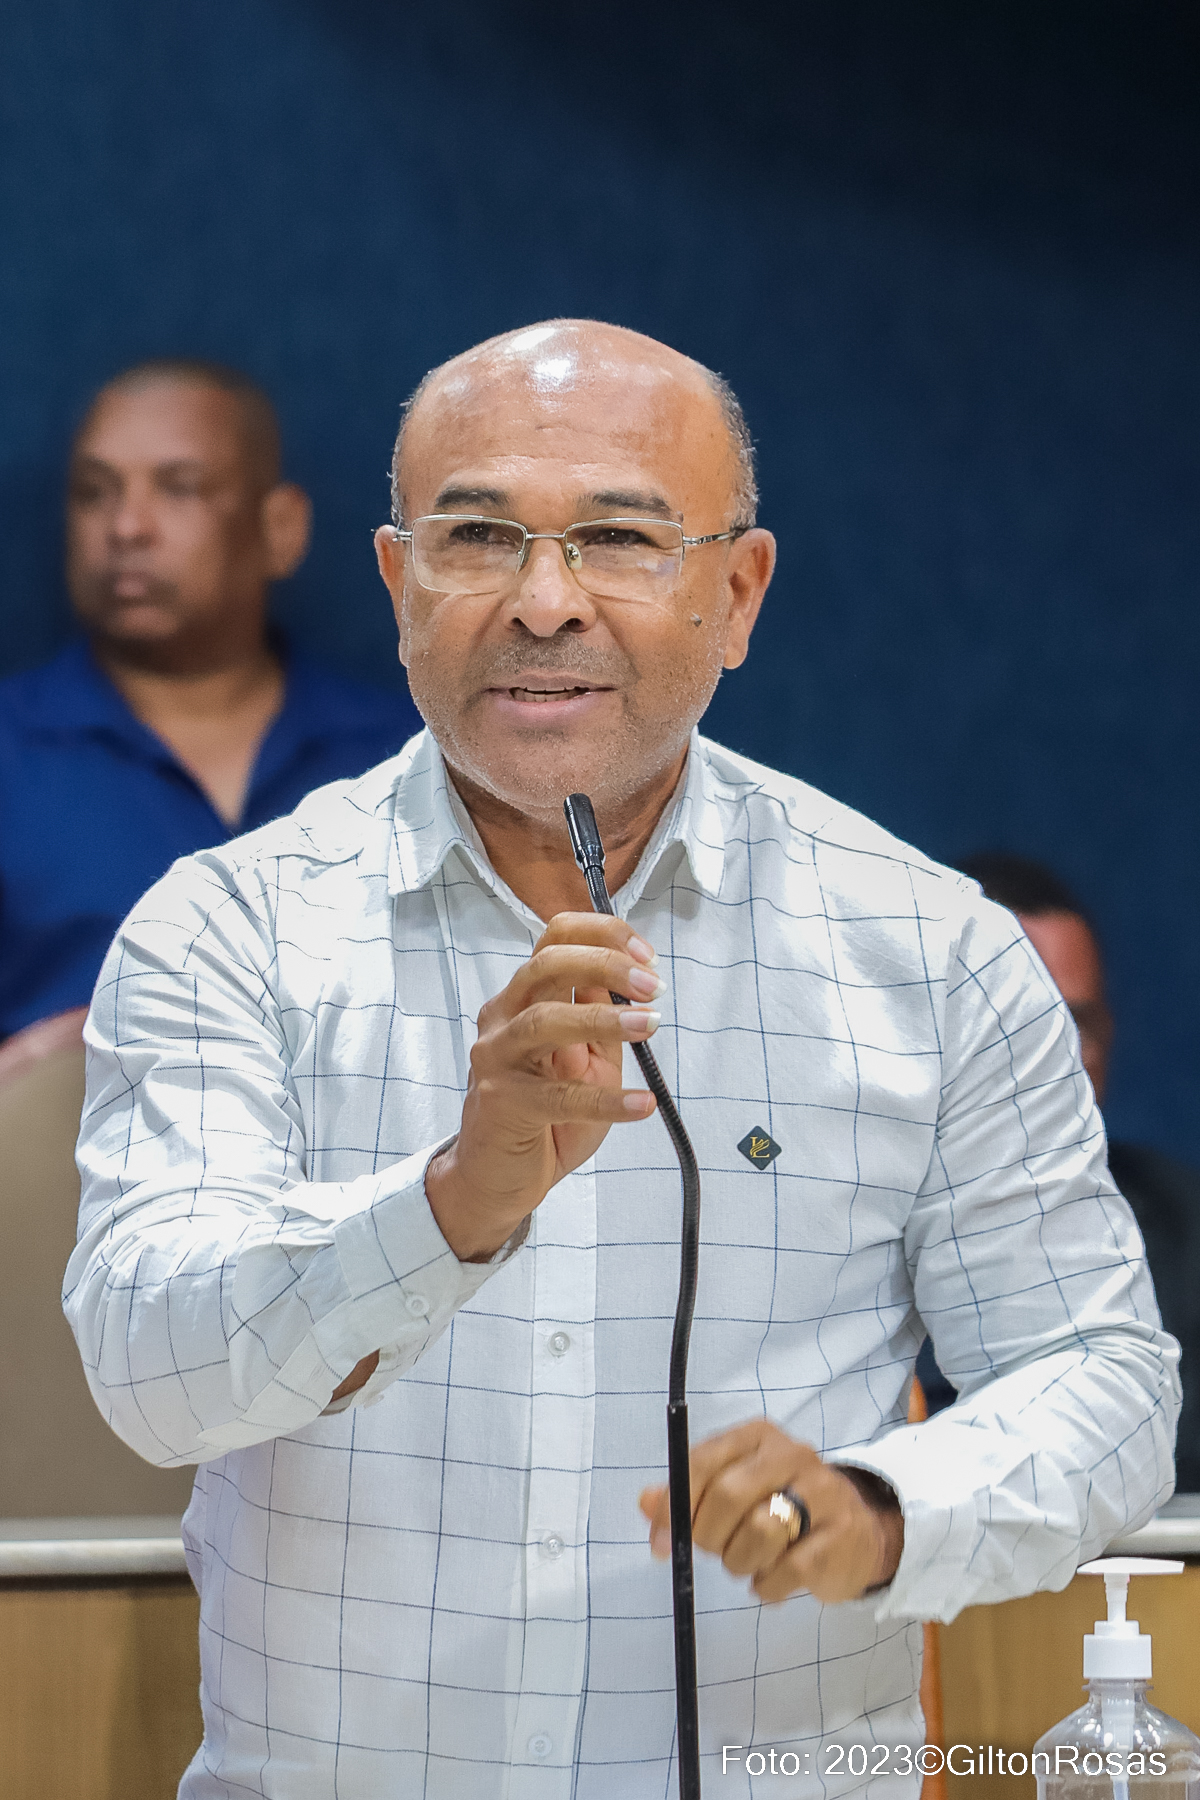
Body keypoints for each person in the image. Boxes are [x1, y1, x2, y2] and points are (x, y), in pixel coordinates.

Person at [65, 323, 1177, 1797]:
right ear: (398, 586)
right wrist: (451, 1203)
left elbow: (1101, 1381)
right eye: (478, 538)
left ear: (739, 594)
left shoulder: (932, 951)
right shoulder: (226, 930)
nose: (545, 602)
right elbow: (152, 1376)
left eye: (619, 539)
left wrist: (884, 1508)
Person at [0, 358, 420, 1039]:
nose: (126, 527)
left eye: (180, 488)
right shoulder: (11, 752)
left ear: (280, 529)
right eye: (93, 492)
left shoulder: (406, 757)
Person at [917, 853, 1200, 1491]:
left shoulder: (1187, 1232)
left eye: (1078, 1026)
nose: (1057, 1060)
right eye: (1024, 1026)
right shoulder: (828, 1222)